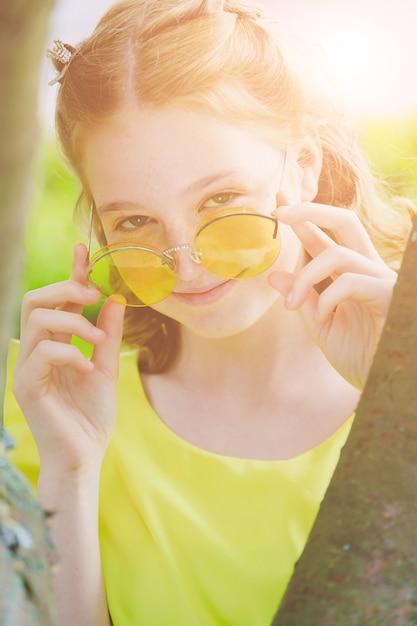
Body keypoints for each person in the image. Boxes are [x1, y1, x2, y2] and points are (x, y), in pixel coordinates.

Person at [4, 0, 414, 624]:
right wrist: (72, 471)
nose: (188, 265)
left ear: (303, 166)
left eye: (221, 200)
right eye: (135, 221)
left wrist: (399, 399)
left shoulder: (404, 381)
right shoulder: (51, 418)